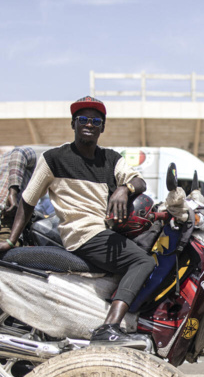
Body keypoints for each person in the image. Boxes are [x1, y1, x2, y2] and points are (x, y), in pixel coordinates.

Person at [0, 96, 156, 347]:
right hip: (82, 234)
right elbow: (27, 202)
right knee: (142, 261)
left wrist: (124, 189)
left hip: (101, 232)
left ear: (102, 128)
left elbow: (139, 182)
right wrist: (11, 239)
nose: (89, 124)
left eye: (96, 121)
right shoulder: (54, 159)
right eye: (83, 119)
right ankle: (110, 327)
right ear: (73, 123)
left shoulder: (111, 158)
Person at [0, 147, 37, 241]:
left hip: (6, 216)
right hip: (6, 218)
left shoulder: (12, 155)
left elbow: (18, 152)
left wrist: (12, 193)